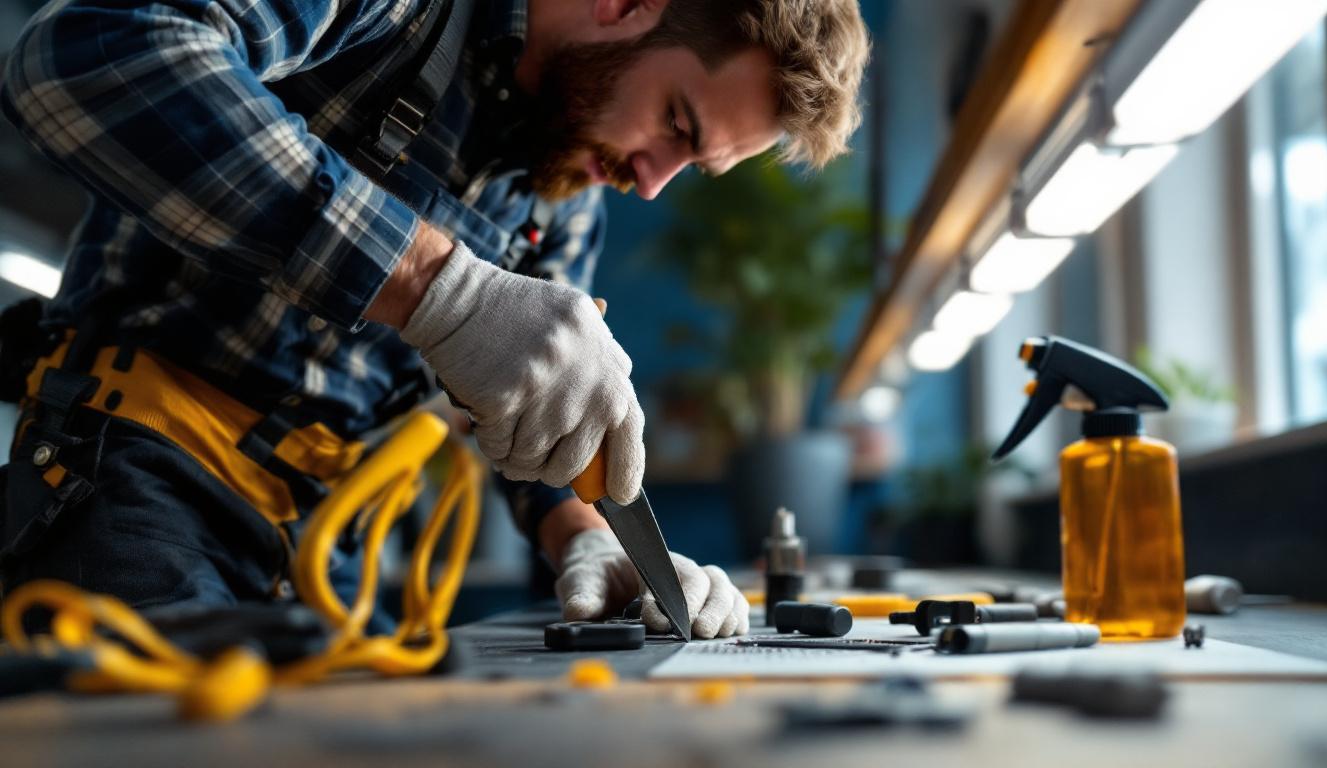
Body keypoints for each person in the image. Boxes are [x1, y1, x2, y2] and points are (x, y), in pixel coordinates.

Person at [0, 0, 869, 638]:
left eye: (693, 166)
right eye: (677, 122)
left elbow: (537, 419)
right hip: (139, 483)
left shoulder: (565, 190)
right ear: (624, 5)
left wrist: (589, 540)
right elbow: (92, 53)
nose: (651, 183)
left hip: (333, 553)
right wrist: (436, 286)